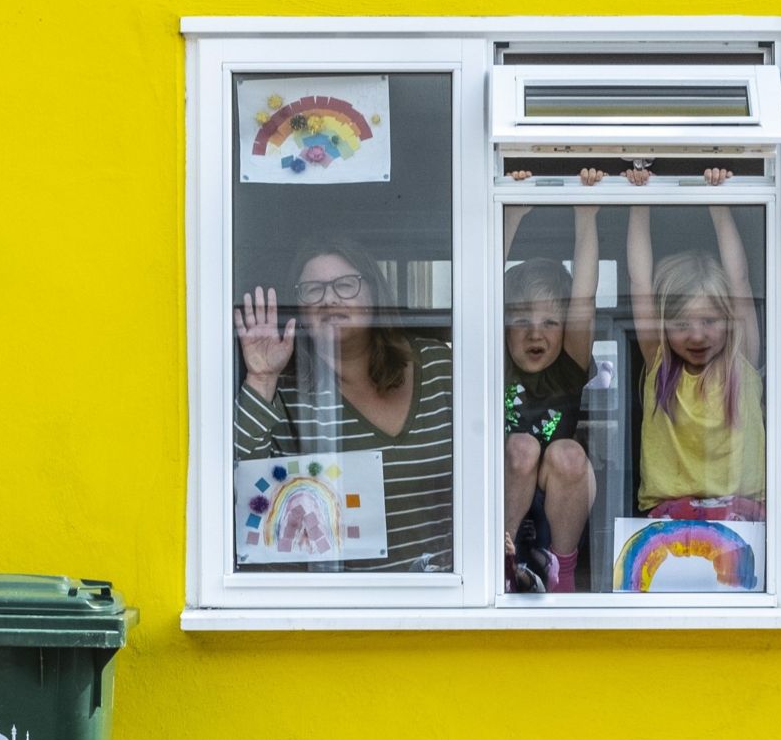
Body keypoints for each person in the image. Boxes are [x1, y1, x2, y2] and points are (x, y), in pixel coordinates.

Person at [233, 237, 453, 572]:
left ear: (374, 294)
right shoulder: (288, 391)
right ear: (301, 309)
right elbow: (247, 493)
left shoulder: (437, 366)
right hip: (342, 607)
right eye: (312, 290)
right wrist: (261, 378)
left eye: (346, 285)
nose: (330, 298)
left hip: (448, 600)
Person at [625, 167, 765, 521]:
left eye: (710, 321)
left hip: (741, 512)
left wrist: (719, 201)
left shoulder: (741, 360)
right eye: (682, 324)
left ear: (730, 320)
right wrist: (638, 199)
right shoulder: (659, 362)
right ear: (662, 325)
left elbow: (740, 279)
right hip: (670, 514)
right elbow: (639, 283)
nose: (697, 335)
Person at [501, 169, 601, 593]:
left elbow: (584, 299)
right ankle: (497, 558)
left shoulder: (567, 367)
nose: (534, 333)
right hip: (506, 483)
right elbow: (481, 290)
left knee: (567, 453)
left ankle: (561, 571)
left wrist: (587, 214)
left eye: (548, 321)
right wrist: (510, 215)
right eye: (520, 320)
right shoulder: (497, 361)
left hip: (559, 488)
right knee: (521, 448)